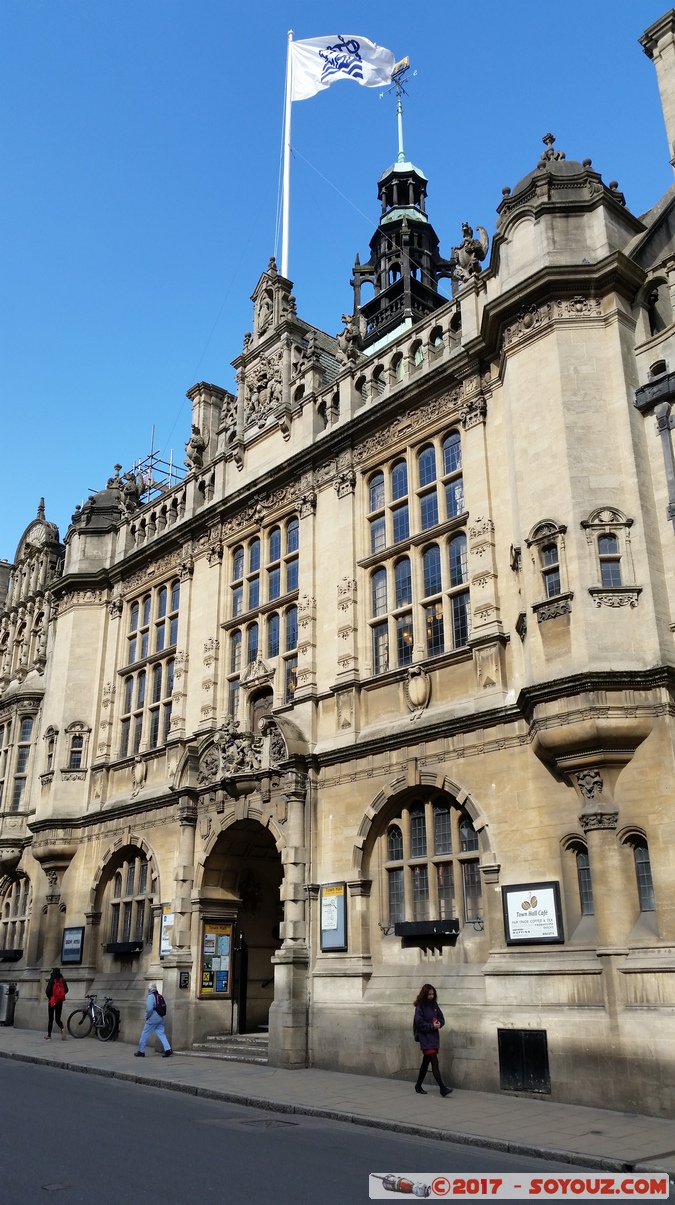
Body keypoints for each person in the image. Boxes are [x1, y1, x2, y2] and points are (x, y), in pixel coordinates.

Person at [413, 983, 452, 1096]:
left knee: (426, 1063)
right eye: (429, 994)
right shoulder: (420, 1007)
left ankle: (418, 1085)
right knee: (434, 1061)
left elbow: (441, 1018)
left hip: (434, 1038)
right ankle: (442, 1088)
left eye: (432, 994)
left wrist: (440, 1023)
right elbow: (420, 1024)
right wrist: (431, 1026)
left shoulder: (434, 1005)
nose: (431, 996)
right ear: (424, 995)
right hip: (425, 1038)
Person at [134, 982, 172, 1057]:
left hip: (152, 1018)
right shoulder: (158, 995)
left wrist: (147, 1016)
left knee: (145, 1034)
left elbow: (149, 1009)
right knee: (161, 1034)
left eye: (148, 988)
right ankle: (168, 1049)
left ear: (150, 989)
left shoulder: (151, 996)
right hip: (160, 1017)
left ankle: (141, 1051)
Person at [44, 968, 68, 1040]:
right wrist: (60, 996)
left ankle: (49, 1035)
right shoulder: (62, 981)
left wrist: (51, 997)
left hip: (52, 1000)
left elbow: (47, 991)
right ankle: (62, 1028)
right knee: (58, 1019)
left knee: (51, 1019)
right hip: (59, 1001)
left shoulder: (52, 980)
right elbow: (66, 990)